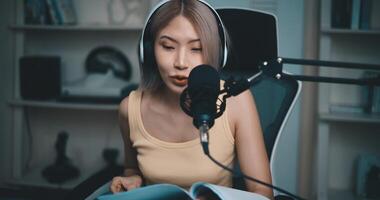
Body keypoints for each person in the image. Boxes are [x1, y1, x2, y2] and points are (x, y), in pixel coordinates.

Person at [110, 0, 273, 199]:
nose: (180, 62)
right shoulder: (130, 109)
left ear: (215, 54)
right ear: (149, 51)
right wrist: (132, 178)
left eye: (196, 49)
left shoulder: (236, 101)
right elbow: (131, 168)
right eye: (168, 47)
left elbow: (262, 193)